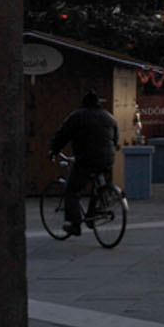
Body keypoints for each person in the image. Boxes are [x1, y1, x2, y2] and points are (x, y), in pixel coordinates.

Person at [50, 89, 121, 236]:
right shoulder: (109, 117)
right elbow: (115, 140)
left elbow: (62, 134)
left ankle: (75, 223)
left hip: (86, 159)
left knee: (72, 190)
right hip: (107, 159)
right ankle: (93, 214)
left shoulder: (77, 116)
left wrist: (54, 150)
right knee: (99, 185)